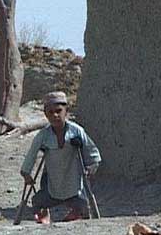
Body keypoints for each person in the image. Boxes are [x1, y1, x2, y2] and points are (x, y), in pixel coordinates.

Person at [20, 91, 101, 224]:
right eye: (50, 113)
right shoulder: (43, 135)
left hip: (73, 183)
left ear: (66, 111)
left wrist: (91, 168)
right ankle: (44, 213)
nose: (55, 115)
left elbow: (93, 152)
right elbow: (32, 153)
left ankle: (75, 213)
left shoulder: (76, 131)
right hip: (53, 182)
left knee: (83, 205)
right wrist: (26, 173)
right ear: (46, 114)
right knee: (37, 201)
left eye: (58, 111)